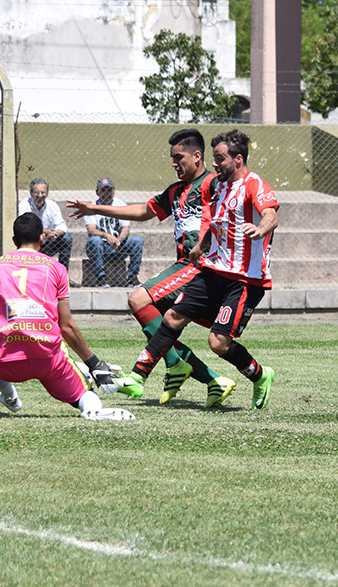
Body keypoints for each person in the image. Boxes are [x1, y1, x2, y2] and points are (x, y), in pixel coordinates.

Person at [67, 129, 236, 407]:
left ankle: (167, 370)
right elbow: (144, 211)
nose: (173, 163)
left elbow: (235, 201)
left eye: (178, 157)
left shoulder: (213, 184)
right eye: (171, 158)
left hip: (201, 266)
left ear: (197, 156)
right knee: (157, 322)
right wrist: (97, 210)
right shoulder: (175, 191)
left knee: (138, 299)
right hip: (185, 266)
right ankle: (212, 379)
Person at [116, 129, 279, 410]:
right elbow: (216, 224)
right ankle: (137, 376)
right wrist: (200, 247)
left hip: (244, 281)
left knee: (218, 342)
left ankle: (260, 374)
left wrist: (259, 229)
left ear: (238, 160)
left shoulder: (255, 185)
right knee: (172, 317)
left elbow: (271, 215)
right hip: (213, 271)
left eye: (220, 158)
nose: (214, 163)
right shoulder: (221, 187)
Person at [0, 212, 134, 421]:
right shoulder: (57, 269)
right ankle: (92, 409)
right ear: (42, 237)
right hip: (48, 360)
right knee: (84, 394)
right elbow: (67, 326)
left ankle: (10, 397)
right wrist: (95, 364)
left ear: (14, 240)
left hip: (4, 361)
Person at [84, 177, 144, 287]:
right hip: (100, 247)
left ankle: (132, 277)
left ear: (114, 191)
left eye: (109, 190)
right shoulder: (92, 207)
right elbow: (91, 230)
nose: (106, 193)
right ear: (97, 192)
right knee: (94, 240)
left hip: (118, 246)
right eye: (103, 190)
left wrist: (118, 241)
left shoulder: (121, 205)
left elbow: (126, 228)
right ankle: (101, 278)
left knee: (137, 241)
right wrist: (106, 236)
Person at [18, 178, 73, 274]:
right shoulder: (24, 205)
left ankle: (63, 274)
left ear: (47, 193)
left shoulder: (52, 205)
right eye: (37, 193)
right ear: (31, 193)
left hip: (48, 242)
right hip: (31, 244)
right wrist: (46, 232)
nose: (40, 196)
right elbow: (24, 227)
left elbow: (62, 225)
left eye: (43, 193)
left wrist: (56, 233)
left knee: (66, 239)